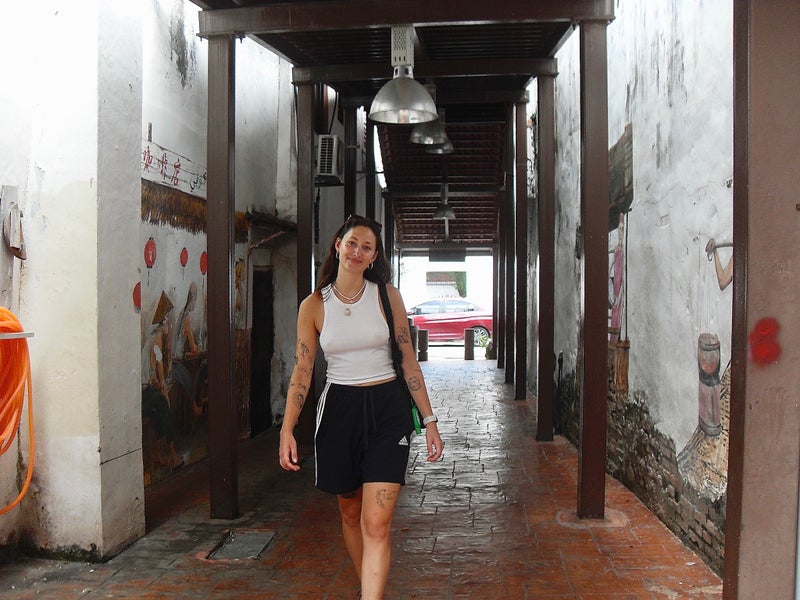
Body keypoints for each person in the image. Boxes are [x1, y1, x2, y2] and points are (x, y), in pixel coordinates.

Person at [279, 214, 443, 599]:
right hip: (339, 410)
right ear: (338, 245)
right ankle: (368, 588)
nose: (357, 251)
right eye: (352, 243)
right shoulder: (314, 305)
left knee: (377, 522)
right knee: (351, 513)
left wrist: (430, 420)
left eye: (366, 247)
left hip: (388, 410)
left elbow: (408, 360)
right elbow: (303, 370)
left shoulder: (387, 296)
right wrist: (287, 428)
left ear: (373, 257)